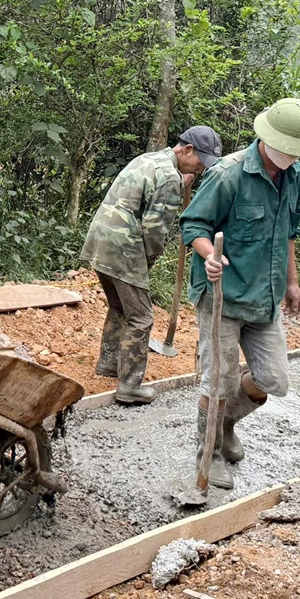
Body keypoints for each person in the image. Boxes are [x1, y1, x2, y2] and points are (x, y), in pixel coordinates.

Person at [179, 98, 300, 491]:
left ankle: (225, 423)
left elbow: (289, 233)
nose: (289, 160)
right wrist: (210, 256)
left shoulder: (297, 177)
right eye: (284, 152)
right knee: (219, 381)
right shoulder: (228, 175)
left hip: (266, 296)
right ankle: (207, 451)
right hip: (223, 297)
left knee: (272, 379)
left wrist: (292, 283)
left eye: (297, 154)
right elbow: (193, 225)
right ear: (266, 139)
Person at [79, 126, 220, 404]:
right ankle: (130, 385)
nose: (202, 168)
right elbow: (155, 230)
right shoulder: (169, 177)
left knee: (120, 306)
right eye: (200, 161)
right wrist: (148, 262)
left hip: (100, 239)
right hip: (124, 247)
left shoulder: (148, 159)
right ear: (187, 149)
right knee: (141, 316)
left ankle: (108, 363)